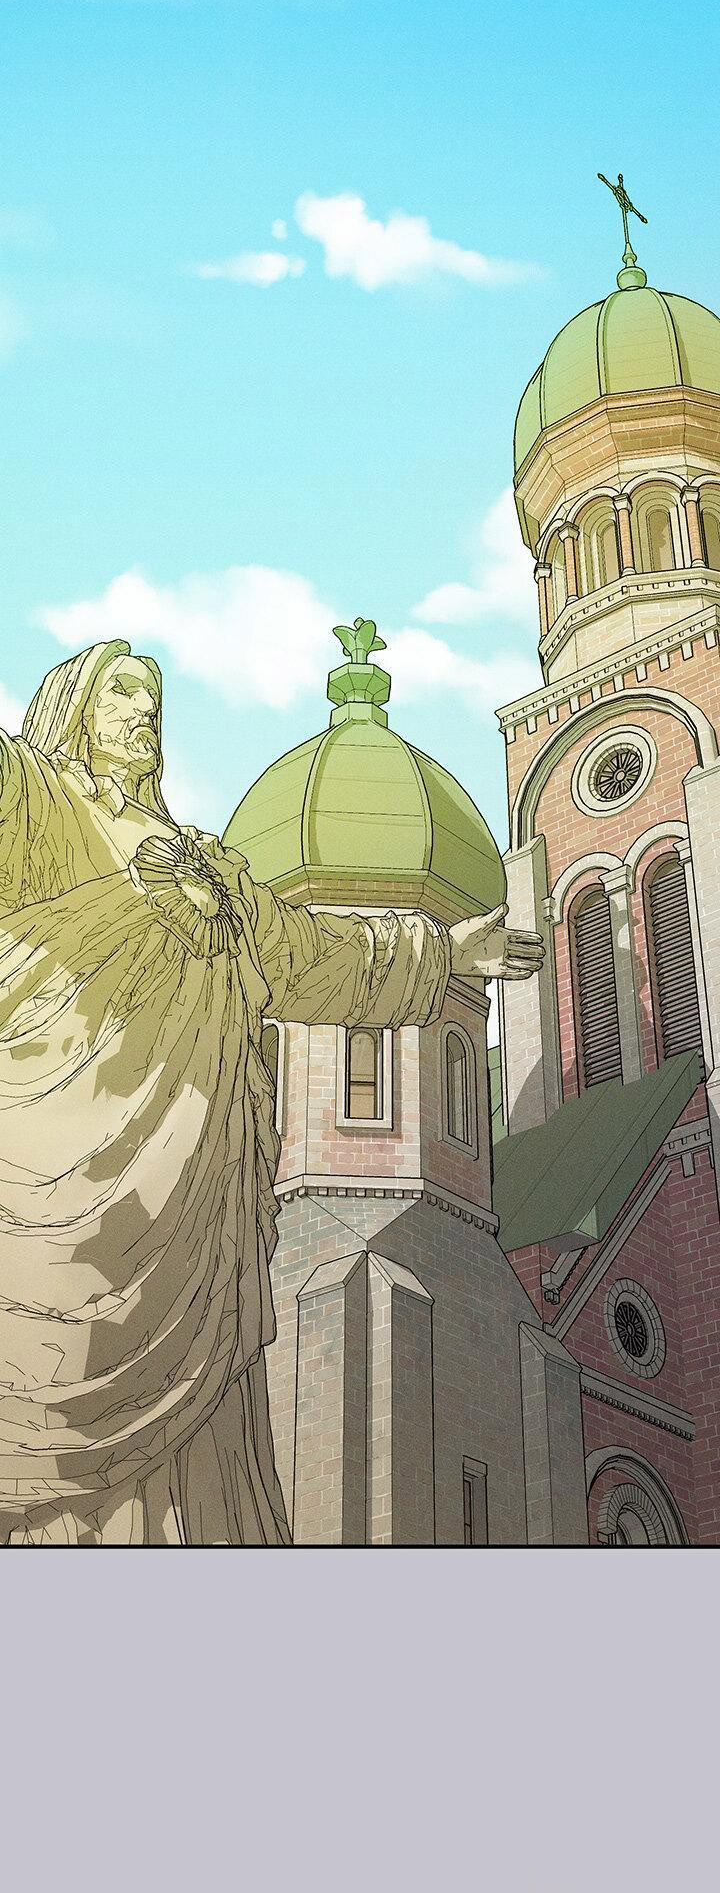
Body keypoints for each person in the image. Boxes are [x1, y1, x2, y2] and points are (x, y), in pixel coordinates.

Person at [0, 639, 541, 1546]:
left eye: (152, 697)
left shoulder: (202, 866)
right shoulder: (41, 812)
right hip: (71, 1177)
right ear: (74, 710)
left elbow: (305, 955)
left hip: (196, 1206)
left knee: (198, 1464)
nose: (142, 711)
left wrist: (448, 950)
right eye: (120, 692)